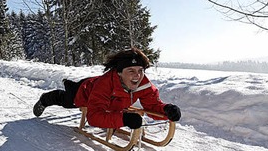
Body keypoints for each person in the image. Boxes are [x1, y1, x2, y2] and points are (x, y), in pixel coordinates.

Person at [33, 47, 181, 130]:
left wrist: (167, 110)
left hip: (108, 99)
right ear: (119, 73)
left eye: (140, 70)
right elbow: (94, 116)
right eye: (131, 71)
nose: (137, 76)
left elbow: (152, 105)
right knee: (66, 99)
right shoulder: (105, 84)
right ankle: (44, 100)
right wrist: (123, 119)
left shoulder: (144, 84)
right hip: (85, 91)